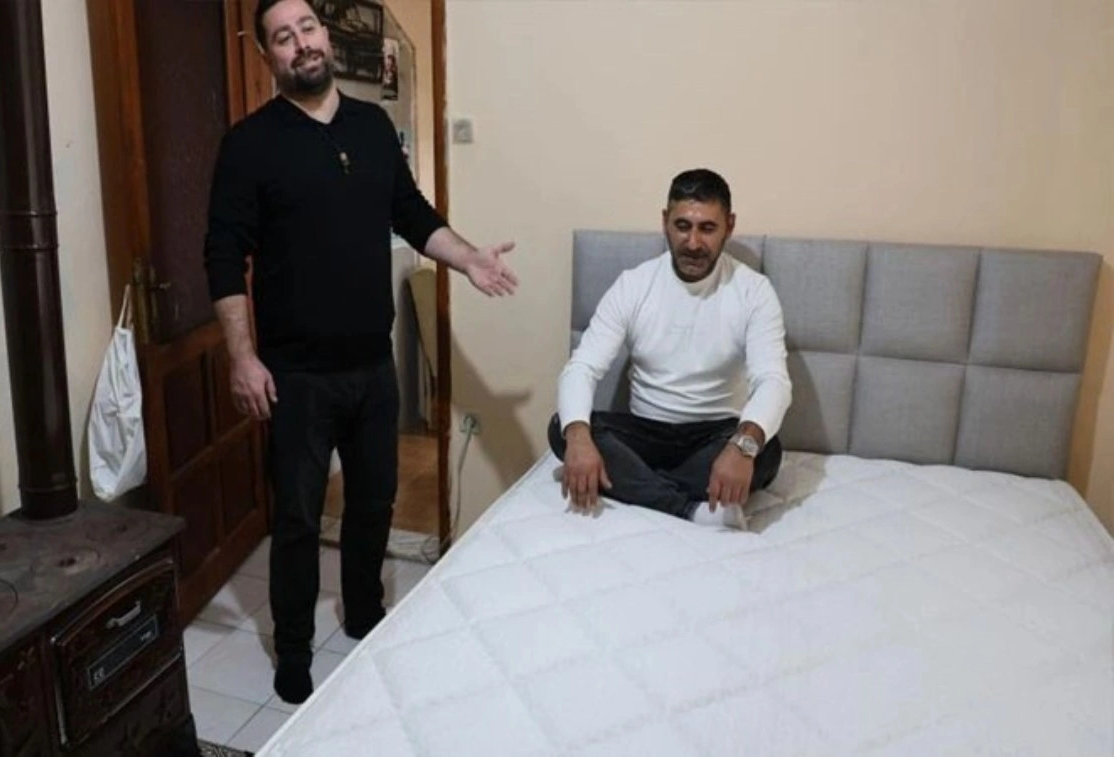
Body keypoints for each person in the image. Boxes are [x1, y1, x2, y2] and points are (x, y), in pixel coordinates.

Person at [202, 0, 518, 705]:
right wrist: (242, 357)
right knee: (296, 519)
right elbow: (223, 254)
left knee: (373, 503)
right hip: (296, 376)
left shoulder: (372, 127)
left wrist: (468, 259)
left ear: (325, 36)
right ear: (267, 56)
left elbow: (412, 212)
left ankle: (364, 611)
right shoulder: (249, 145)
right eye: (283, 37)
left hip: (373, 366)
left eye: (307, 28)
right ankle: (292, 649)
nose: (301, 44)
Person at [549, 169, 790, 529]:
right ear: (665, 222)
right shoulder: (634, 285)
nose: (693, 242)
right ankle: (687, 508)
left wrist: (742, 446)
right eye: (682, 226)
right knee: (563, 428)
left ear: (729, 226)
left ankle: (638, 484)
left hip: (716, 437)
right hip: (645, 434)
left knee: (767, 451)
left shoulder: (754, 291)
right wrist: (579, 438)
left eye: (707, 228)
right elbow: (582, 367)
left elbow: (773, 381)